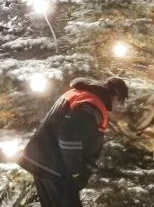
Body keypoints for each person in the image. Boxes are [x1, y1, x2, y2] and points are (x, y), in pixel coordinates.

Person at [18, 77, 129, 207]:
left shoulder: (81, 95)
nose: (119, 108)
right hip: (56, 169)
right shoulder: (91, 105)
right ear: (114, 95)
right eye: (120, 102)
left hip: (43, 162)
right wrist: (77, 173)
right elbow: (69, 140)